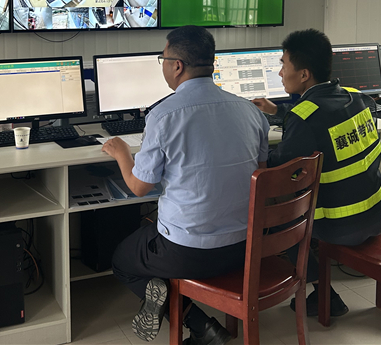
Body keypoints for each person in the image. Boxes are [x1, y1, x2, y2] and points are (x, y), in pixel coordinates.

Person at [103, 26, 269, 345]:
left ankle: (201, 325)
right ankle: (180, 301)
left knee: (123, 261)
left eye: (163, 59)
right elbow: (260, 176)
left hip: (188, 254)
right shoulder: (251, 112)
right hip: (247, 247)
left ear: (176, 66)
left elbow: (139, 187)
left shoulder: (163, 116)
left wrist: (121, 152)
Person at [252, 29, 381, 318]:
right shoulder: (359, 98)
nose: (280, 73)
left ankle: (323, 294)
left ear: (304, 74)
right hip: (380, 213)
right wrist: (278, 112)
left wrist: (250, 149)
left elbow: (280, 169)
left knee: (278, 213)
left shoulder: (304, 118)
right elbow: (322, 117)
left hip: (340, 226)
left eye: (283, 65)